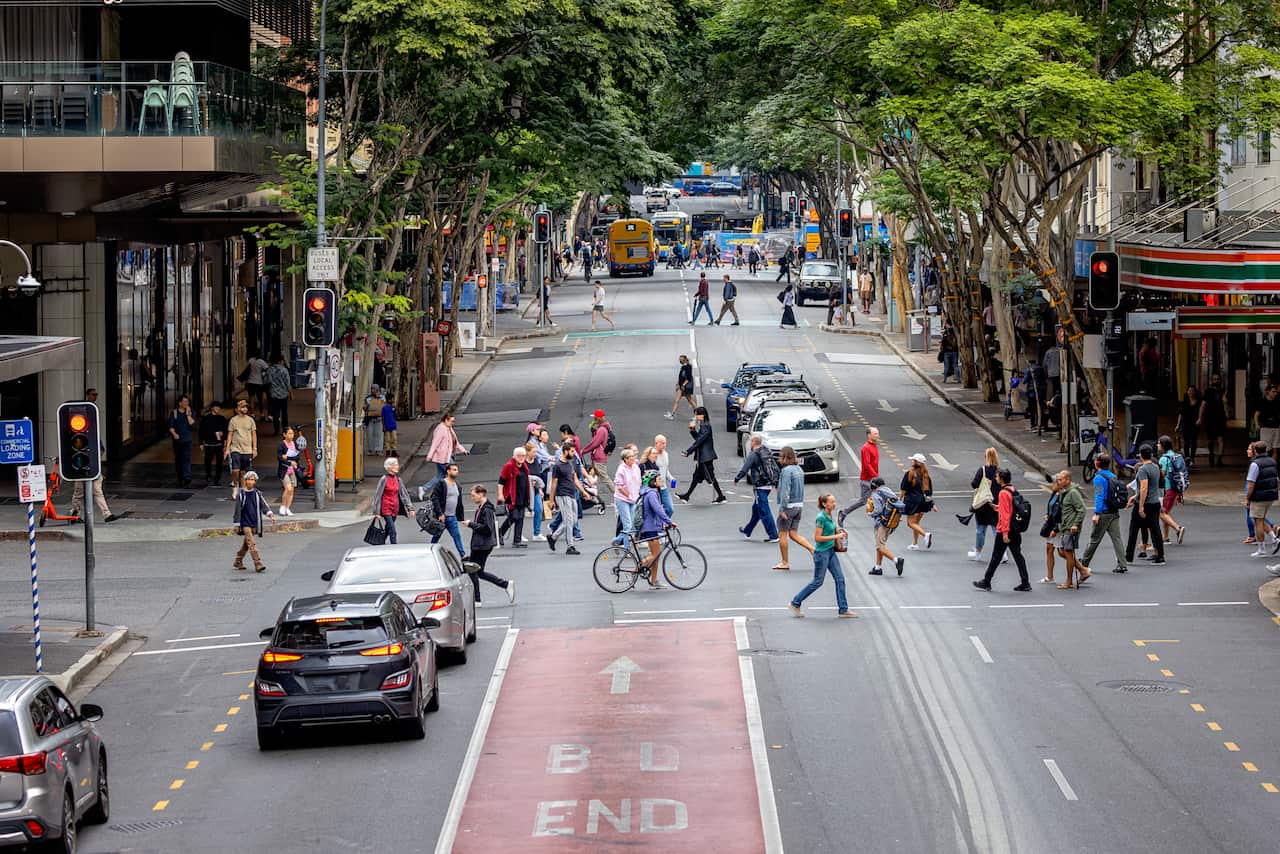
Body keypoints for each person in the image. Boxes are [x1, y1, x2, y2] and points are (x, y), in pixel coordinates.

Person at [788, 493, 856, 618]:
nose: (834, 504)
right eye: (831, 502)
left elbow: (833, 529)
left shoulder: (830, 515)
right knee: (818, 582)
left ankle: (843, 609)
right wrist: (836, 536)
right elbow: (817, 538)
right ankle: (795, 602)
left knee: (840, 579)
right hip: (821, 554)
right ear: (824, 504)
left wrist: (838, 534)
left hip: (830, 552)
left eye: (834, 501)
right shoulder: (821, 518)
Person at [972, 469, 1031, 592]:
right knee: (1018, 556)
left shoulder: (1003, 493)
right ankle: (1025, 582)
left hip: (1005, 530)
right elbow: (1011, 507)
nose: (996, 478)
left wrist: (1004, 533)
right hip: (1014, 529)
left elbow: (1005, 515)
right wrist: (998, 507)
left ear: (1002, 479)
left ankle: (986, 581)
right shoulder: (1012, 489)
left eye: (997, 476)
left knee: (995, 557)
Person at [464, 485, 515, 604]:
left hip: (483, 545)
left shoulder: (487, 510)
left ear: (481, 494)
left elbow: (487, 529)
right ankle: (505, 585)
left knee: (472, 570)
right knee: (477, 572)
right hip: (480, 544)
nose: (472, 498)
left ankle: (477, 600)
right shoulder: (482, 508)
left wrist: (470, 524)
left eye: (473, 495)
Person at [1077, 456, 1128, 575]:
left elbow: (1099, 496)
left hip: (1104, 512)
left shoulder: (1099, 478)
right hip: (1113, 511)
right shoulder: (1112, 475)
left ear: (1097, 464)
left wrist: (1097, 513)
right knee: (1117, 538)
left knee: (1094, 539)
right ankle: (1122, 563)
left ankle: (1084, 562)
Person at [632, 470, 676, 587]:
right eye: (659, 479)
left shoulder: (650, 492)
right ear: (653, 482)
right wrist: (669, 521)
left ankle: (654, 580)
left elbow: (655, 513)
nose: (661, 480)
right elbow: (658, 510)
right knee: (655, 554)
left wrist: (663, 524)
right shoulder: (651, 494)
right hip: (649, 528)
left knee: (656, 554)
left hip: (651, 527)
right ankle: (638, 567)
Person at [772, 446, 812, 570]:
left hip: (789, 506)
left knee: (782, 534)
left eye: (780, 456)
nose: (779, 459)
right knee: (794, 534)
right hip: (799, 505)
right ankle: (813, 550)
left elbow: (785, 490)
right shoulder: (799, 469)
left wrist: (782, 509)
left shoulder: (786, 471)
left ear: (784, 457)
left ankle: (785, 562)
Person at [1125, 444, 1166, 566]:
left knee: (1134, 530)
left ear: (1141, 455)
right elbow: (1152, 486)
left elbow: (1144, 487)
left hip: (1145, 503)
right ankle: (1160, 556)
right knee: (1155, 529)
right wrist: (1135, 497)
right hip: (1155, 502)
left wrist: (1141, 505)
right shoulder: (1155, 467)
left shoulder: (1143, 469)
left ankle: (1128, 556)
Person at [736, 433, 780, 543]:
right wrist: (776, 482)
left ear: (753, 442)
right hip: (768, 484)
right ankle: (747, 530)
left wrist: (737, 478)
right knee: (756, 509)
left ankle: (773, 535)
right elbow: (774, 467)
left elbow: (745, 467)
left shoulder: (754, 454)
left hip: (760, 486)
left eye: (751, 442)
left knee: (764, 511)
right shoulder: (766, 451)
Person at [960, 447, 1002, 562]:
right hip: (996, 503)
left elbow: (974, 484)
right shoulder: (1000, 471)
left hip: (983, 504)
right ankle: (1002, 554)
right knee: (996, 529)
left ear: (986, 457)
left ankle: (978, 553)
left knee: (980, 530)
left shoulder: (982, 470)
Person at [547, 443, 589, 555]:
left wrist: (583, 492)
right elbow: (553, 484)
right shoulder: (557, 465)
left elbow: (575, 479)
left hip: (572, 494)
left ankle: (553, 537)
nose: (573, 453)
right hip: (562, 495)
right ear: (565, 451)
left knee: (573, 520)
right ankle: (570, 546)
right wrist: (551, 500)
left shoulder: (571, 463)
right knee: (569, 520)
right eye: (571, 451)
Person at [678, 406, 726, 504]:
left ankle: (721, 496)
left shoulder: (705, 426)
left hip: (705, 457)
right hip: (704, 456)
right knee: (696, 477)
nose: (695, 416)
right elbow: (699, 438)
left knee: (711, 477)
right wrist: (692, 430)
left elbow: (699, 441)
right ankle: (687, 496)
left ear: (702, 415)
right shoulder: (704, 425)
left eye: (697, 414)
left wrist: (688, 451)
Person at [231, 471, 274, 572]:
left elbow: (264, 505)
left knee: (247, 543)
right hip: (244, 522)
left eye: (253, 480)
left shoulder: (257, 493)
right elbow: (237, 510)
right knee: (251, 543)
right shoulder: (241, 494)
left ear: (255, 481)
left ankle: (238, 560)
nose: (251, 482)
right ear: (245, 481)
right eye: (249, 479)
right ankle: (258, 563)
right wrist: (236, 524)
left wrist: (270, 514)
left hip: (254, 522)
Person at [1054, 470, 1089, 589]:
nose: (1058, 481)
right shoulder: (1065, 492)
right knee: (1062, 551)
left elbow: (1082, 509)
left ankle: (1069, 581)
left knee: (1069, 554)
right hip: (1065, 527)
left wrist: (1075, 524)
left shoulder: (1073, 492)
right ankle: (1083, 570)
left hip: (1071, 527)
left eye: (1060, 479)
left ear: (1067, 480)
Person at [420, 413, 467, 500]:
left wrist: (463, 450)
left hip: (449, 455)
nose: (453, 423)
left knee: (440, 476)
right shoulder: (441, 429)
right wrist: (429, 455)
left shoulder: (449, 428)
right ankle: (450, 492)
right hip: (443, 457)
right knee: (452, 473)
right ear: (446, 420)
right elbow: (435, 443)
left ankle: (424, 489)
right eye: (451, 421)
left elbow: (455, 442)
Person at [839, 426, 880, 526]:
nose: (878, 435)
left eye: (877, 433)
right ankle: (881, 521)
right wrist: (876, 477)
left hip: (872, 479)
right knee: (875, 499)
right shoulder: (866, 448)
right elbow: (867, 465)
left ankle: (844, 512)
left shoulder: (874, 446)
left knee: (867, 501)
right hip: (868, 480)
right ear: (869, 435)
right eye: (875, 434)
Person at [1245, 440, 1280, 557]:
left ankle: (1262, 549)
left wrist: (1247, 498)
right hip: (1270, 495)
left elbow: (1251, 483)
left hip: (1259, 496)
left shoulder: (1255, 464)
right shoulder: (1272, 461)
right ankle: (1274, 539)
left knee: (1258, 521)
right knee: (1262, 518)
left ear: (1255, 451)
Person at [868, 477, 906, 576]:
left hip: (881, 523)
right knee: (881, 545)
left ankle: (896, 560)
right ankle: (878, 567)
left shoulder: (876, 494)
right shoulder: (889, 491)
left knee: (880, 547)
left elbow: (878, 510)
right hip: (891, 522)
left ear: (874, 486)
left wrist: (870, 513)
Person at [428, 462, 467, 558]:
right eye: (454, 470)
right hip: (442, 517)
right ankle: (429, 552)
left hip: (452, 517)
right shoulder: (442, 483)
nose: (456, 472)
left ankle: (463, 555)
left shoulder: (458, 485)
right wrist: (440, 513)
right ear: (448, 471)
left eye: (457, 470)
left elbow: (459, 502)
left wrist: (461, 517)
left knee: (456, 536)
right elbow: (435, 498)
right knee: (436, 536)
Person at [371, 456, 413, 545]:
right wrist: (376, 512)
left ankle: (380, 543)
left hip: (395, 508)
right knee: (393, 530)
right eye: (395, 465)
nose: (397, 466)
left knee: (388, 528)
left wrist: (410, 508)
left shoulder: (398, 479)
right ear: (390, 467)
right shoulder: (384, 479)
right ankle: (394, 547)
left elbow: (404, 494)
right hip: (386, 508)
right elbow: (377, 496)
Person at [223, 398, 258, 499]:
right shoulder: (233, 420)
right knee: (235, 469)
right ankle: (235, 484)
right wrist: (227, 448)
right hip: (236, 448)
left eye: (246, 406)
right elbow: (230, 435)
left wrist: (254, 448)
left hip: (247, 449)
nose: (244, 408)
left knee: (244, 472)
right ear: (237, 408)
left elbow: (254, 434)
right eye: (242, 406)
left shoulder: (250, 420)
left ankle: (242, 491)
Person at [1156, 435, 1188, 545]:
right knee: (1166, 512)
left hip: (1167, 488)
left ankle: (1178, 528)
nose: (1157, 445)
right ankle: (1165, 538)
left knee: (1160, 512)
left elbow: (1162, 474)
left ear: (1163, 445)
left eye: (1159, 443)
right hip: (1175, 489)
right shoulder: (1176, 456)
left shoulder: (1164, 458)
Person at [497, 446, 531, 548]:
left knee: (520, 518)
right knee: (514, 517)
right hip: (512, 496)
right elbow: (501, 481)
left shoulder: (524, 466)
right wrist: (500, 494)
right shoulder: (508, 466)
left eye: (523, 456)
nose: (521, 457)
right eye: (519, 456)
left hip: (522, 496)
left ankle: (517, 540)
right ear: (514, 456)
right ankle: (500, 533)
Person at [900, 454, 935, 549]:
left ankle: (925, 535)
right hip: (924, 502)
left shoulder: (909, 473)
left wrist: (900, 500)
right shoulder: (926, 474)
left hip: (912, 501)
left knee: (910, 523)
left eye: (913, 460)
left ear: (917, 463)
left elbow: (903, 488)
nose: (911, 461)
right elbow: (929, 491)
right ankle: (915, 544)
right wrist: (933, 504)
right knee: (916, 523)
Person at [580, 409, 615, 502]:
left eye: (595, 418)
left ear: (598, 418)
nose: (594, 419)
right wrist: (593, 430)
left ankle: (617, 494)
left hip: (598, 457)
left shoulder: (601, 429)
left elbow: (595, 443)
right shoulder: (604, 428)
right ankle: (592, 497)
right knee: (590, 477)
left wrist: (583, 451)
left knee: (604, 478)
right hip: (599, 456)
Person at [612, 447, 642, 546]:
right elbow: (619, 486)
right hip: (622, 499)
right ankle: (627, 549)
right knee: (628, 526)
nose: (633, 458)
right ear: (625, 459)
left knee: (631, 526)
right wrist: (629, 495)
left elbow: (638, 482)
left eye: (633, 456)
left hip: (633, 499)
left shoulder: (635, 467)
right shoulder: (621, 469)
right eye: (631, 457)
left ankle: (617, 540)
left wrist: (637, 494)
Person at [1199, 374, 1227, 467]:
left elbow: (1226, 403)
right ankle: (1211, 454)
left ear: (1220, 380)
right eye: (1215, 379)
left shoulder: (1223, 391)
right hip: (1210, 417)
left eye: (1218, 379)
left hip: (1220, 417)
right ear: (1212, 381)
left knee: (1221, 438)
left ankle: (1219, 458)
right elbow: (1203, 405)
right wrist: (1200, 417)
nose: (1216, 381)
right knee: (1210, 439)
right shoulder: (1208, 391)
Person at [167, 394, 195, 487]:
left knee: (186, 458)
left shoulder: (191, 412)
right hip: (178, 440)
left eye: (187, 402)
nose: (186, 403)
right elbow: (171, 426)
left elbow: (192, 424)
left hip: (188, 440)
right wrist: (174, 434)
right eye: (184, 402)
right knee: (178, 459)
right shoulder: (174, 413)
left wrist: (188, 414)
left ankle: (187, 477)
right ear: (180, 403)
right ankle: (180, 476)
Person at [1040, 473, 1064, 585]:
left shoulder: (1063, 495)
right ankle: (1050, 577)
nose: (1052, 485)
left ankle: (1082, 569)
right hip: (1051, 524)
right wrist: (1048, 515)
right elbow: (1051, 507)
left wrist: (1055, 529)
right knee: (1049, 549)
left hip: (1057, 527)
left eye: (1054, 483)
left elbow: (1060, 514)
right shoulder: (1055, 493)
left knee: (1062, 552)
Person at [199, 402, 228, 486]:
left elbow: (225, 431)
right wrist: (201, 442)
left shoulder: (222, 418)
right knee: (207, 461)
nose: (218, 409)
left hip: (219, 444)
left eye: (219, 407)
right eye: (216, 407)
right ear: (212, 408)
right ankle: (208, 475)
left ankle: (217, 477)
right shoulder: (206, 418)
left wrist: (225, 441)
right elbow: (201, 431)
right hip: (208, 444)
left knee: (219, 462)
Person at [276, 426, 300, 516]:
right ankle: (282, 506)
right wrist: (290, 461)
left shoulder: (294, 444)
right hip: (284, 469)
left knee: (292, 490)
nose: (291, 435)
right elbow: (280, 458)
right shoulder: (281, 445)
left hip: (292, 470)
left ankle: (287, 508)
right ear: (284, 434)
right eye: (289, 433)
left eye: (292, 433)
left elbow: (297, 456)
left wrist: (288, 457)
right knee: (288, 488)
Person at [266, 355, 292, 437]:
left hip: (273, 394)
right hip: (284, 394)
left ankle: (276, 429)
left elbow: (267, 381)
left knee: (275, 413)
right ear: (280, 361)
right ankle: (285, 429)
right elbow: (288, 383)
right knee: (284, 413)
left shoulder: (270, 370)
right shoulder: (284, 370)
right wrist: (290, 393)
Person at [1175, 386, 1201, 467]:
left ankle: (1192, 458)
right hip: (1185, 423)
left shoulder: (1199, 402)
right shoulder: (1184, 402)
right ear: (1187, 392)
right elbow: (1180, 414)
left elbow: (1201, 413)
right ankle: (1187, 458)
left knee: (1193, 441)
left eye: (1192, 391)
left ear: (1195, 392)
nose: (1190, 392)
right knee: (1186, 441)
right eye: (1189, 391)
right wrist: (1178, 425)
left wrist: (1199, 420)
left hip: (1194, 424)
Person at [665, 355, 697, 420]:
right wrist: (677, 384)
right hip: (681, 386)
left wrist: (683, 385)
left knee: (689, 400)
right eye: (679, 359)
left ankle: (698, 414)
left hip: (685, 387)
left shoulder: (687, 367)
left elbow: (688, 378)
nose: (680, 361)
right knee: (678, 400)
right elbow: (681, 377)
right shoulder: (684, 366)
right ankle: (672, 414)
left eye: (681, 360)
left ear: (684, 360)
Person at [1254, 384, 1280, 459]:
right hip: (1266, 428)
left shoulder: (1277, 401)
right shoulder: (1262, 401)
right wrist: (1256, 424)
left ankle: (1272, 467)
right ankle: (1266, 466)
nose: (1275, 393)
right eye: (1273, 392)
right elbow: (1256, 414)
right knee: (1266, 450)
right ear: (1268, 392)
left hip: (1276, 427)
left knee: (1275, 450)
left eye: (1276, 392)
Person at [653, 433, 675, 517]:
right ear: (656, 444)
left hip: (663, 487)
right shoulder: (652, 454)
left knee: (670, 509)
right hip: (654, 488)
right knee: (655, 510)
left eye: (665, 443)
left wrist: (671, 479)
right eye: (662, 443)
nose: (664, 445)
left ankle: (663, 524)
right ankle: (658, 525)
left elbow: (665, 470)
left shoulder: (666, 454)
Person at [242, 353, 269, 417]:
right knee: (260, 399)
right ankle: (261, 413)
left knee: (251, 399)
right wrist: (263, 374)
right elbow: (267, 369)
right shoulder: (261, 362)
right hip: (258, 383)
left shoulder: (250, 360)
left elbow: (247, 369)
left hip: (250, 382)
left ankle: (252, 413)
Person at [364, 385, 386, 455]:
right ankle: (370, 450)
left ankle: (378, 450)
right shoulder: (368, 398)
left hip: (379, 418)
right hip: (370, 419)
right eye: (372, 389)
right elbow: (365, 407)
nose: (372, 390)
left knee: (379, 435)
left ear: (377, 390)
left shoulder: (382, 397)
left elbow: (384, 405)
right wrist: (365, 407)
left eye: (374, 389)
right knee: (370, 434)